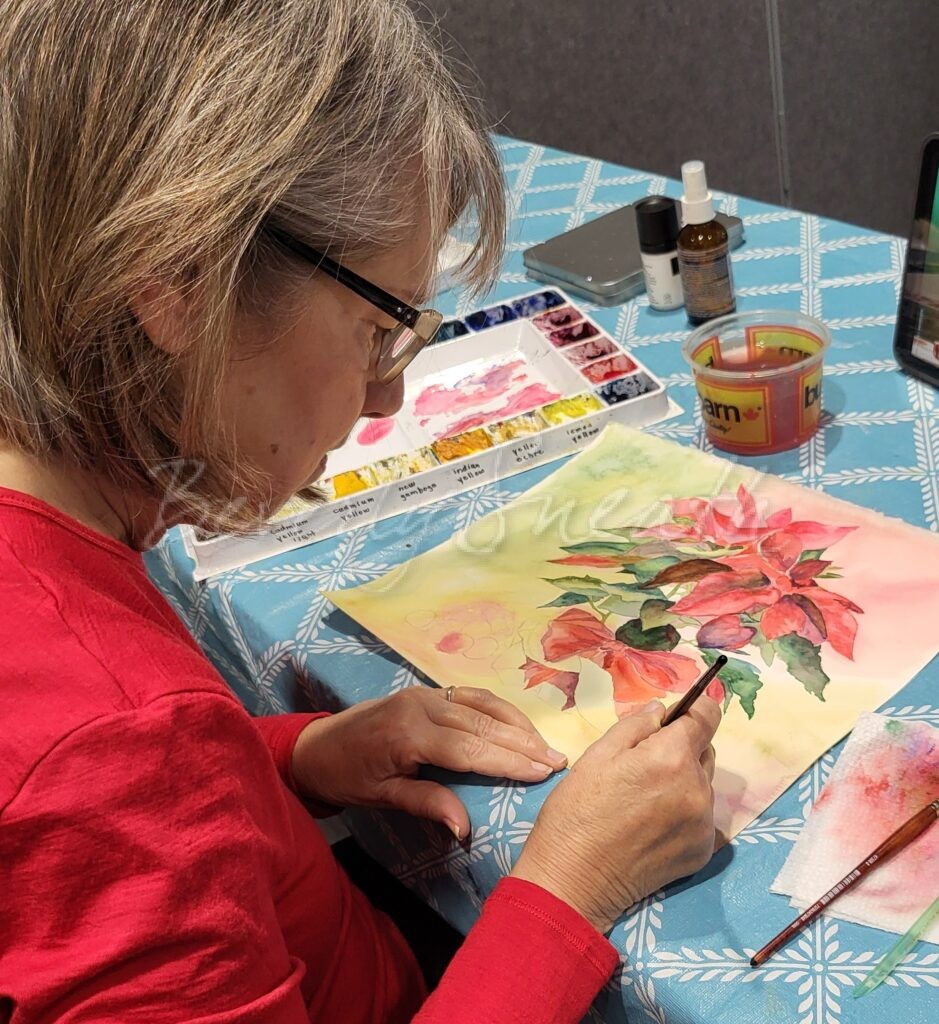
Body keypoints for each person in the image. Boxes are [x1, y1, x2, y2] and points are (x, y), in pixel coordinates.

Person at [0, 2, 721, 1022]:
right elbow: (104, 785)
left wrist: (291, 757)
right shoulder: (122, 754)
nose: (386, 399)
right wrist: (568, 887)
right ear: (175, 282)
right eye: (377, 328)